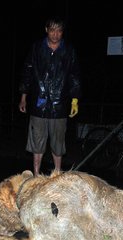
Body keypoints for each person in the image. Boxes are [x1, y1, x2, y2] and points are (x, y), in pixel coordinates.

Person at [18, 17, 81, 176]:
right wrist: (23, 96)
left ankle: (57, 174)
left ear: (62, 32)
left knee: (58, 143)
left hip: (60, 104)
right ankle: (36, 174)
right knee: (37, 142)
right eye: (52, 30)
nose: (55, 34)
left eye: (59, 30)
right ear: (46, 30)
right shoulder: (37, 48)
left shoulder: (68, 50)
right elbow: (27, 72)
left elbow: (74, 75)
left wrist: (74, 99)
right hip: (38, 103)